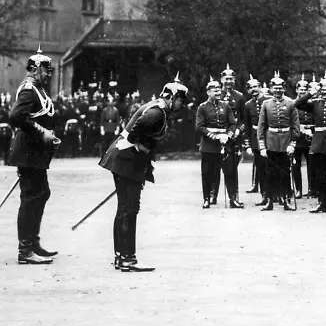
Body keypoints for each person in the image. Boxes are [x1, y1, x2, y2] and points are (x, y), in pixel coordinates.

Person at [99, 74, 189, 271]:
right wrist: (140, 148)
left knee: (124, 208)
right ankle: (127, 259)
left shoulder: (156, 106)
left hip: (124, 159)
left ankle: (121, 257)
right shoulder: (157, 112)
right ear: (172, 97)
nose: (181, 105)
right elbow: (136, 131)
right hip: (126, 160)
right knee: (129, 209)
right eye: (181, 100)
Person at [8, 47, 60, 265]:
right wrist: (42, 132)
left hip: (35, 154)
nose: (49, 74)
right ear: (36, 69)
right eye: (47, 71)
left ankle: (33, 243)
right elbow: (15, 116)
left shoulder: (38, 89)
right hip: (28, 153)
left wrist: (49, 133)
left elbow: (39, 115)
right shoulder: (29, 90)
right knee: (31, 198)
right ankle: (25, 251)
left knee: (41, 193)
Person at [294, 73, 326, 214]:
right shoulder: (315, 103)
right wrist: (310, 93)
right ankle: (322, 202)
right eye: (323, 89)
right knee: (319, 174)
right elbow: (297, 104)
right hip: (318, 141)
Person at [196, 78, 241, 209]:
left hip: (225, 145)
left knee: (230, 172)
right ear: (208, 92)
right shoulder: (202, 107)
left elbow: (233, 124)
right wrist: (216, 137)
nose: (217, 92)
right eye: (214, 90)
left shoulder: (225, 106)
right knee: (207, 174)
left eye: (218, 89)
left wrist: (228, 135)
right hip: (209, 147)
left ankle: (233, 199)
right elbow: (199, 127)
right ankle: (207, 198)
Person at [257, 73, 299, 211]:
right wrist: (262, 146)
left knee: (285, 173)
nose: (278, 90)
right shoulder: (266, 104)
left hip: (286, 143)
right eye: (275, 88)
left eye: (280, 88)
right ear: (271, 88)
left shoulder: (290, 103)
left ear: (284, 88)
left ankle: (286, 200)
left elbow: (295, 126)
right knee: (270, 173)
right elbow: (261, 126)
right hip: (271, 142)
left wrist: (293, 144)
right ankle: (269, 201)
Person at [220, 64, 246, 205]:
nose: (229, 81)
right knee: (219, 167)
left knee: (233, 168)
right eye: (226, 78)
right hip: (220, 136)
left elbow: (243, 118)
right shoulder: (218, 95)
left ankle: (233, 197)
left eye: (231, 78)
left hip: (235, 137)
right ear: (221, 79)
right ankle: (211, 195)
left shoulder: (240, 97)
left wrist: (239, 130)